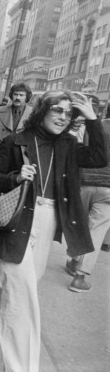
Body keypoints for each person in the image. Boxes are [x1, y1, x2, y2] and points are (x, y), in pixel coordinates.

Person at [0, 91, 107, 372]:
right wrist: (15, 177)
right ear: (42, 111)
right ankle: (20, 367)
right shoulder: (16, 141)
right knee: (23, 298)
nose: (63, 118)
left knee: (17, 289)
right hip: (16, 220)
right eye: (57, 111)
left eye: (68, 113)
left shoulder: (69, 145)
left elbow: (99, 156)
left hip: (48, 220)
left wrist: (92, 118)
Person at [64, 100, 110, 293]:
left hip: (84, 180)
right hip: (108, 188)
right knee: (97, 230)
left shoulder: (94, 125)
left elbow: (77, 147)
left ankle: (75, 260)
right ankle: (80, 276)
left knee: (80, 223)